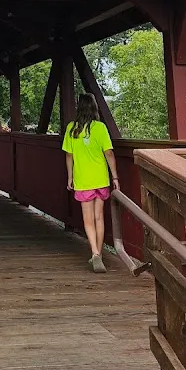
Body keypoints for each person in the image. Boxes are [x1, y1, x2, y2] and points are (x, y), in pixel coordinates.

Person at [62, 93, 119, 273]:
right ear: (95, 108)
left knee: (88, 219)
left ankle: (94, 252)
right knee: (99, 217)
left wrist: (70, 177)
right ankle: (98, 254)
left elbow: (69, 155)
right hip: (101, 179)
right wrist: (115, 177)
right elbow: (109, 153)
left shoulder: (72, 129)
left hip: (83, 180)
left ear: (79, 108)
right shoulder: (100, 128)